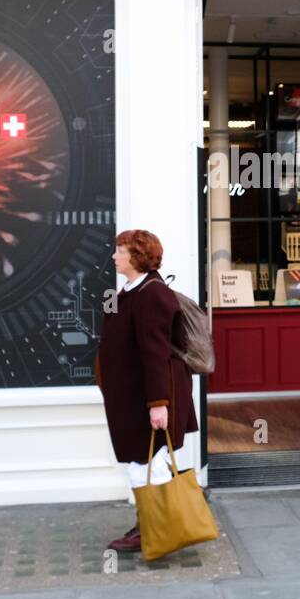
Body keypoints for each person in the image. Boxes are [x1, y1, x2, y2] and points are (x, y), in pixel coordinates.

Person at [95, 229, 199, 552]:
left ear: (137, 257)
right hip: (134, 399)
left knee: (147, 464)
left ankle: (154, 532)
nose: (114, 256)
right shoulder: (132, 289)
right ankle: (152, 527)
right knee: (146, 463)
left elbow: (156, 355)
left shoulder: (152, 294)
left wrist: (158, 404)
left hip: (152, 398)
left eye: (120, 251)